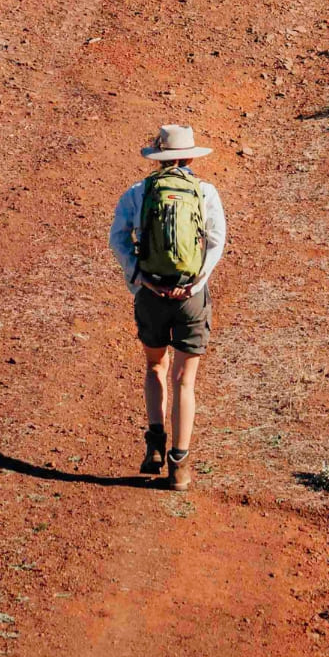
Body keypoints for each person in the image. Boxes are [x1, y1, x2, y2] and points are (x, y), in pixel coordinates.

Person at [109, 124, 227, 490]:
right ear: (190, 156)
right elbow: (215, 243)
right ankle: (180, 466)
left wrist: (139, 277)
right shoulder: (205, 192)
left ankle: (155, 446)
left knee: (154, 366)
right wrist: (196, 283)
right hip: (190, 297)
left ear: (157, 157)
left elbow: (117, 240)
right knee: (184, 380)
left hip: (151, 295)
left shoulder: (138, 192)